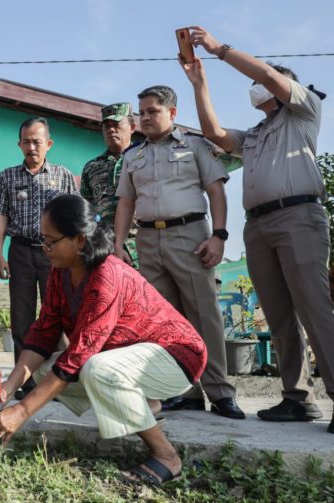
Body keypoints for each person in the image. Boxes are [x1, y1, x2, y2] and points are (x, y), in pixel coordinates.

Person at [0, 194, 207, 486]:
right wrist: (9, 388)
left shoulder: (106, 275)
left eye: (51, 241)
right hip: (133, 356)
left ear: (79, 240)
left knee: (95, 369)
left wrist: (22, 412)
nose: (45, 249)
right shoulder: (60, 271)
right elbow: (45, 330)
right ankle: (145, 405)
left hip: (177, 356)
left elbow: (79, 355)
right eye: (42, 240)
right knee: (40, 370)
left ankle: (166, 457)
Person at [180, 26, 334, 431]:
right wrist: (199, 83)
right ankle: (297, 398)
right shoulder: (256, 134)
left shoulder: (303, 110)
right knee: (280, 315)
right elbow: (215, 134)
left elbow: (267, 77)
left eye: (259, 82)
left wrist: (217, 49)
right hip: (259, 226)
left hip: (298, 217)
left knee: (315, 310)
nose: (255, 88)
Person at [113, 85, 244, 420]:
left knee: (204, 314)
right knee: (163, 321)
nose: (145, 118)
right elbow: (126, 202)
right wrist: (118, 244)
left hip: (190, 236)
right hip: (147, 239)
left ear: (172, 113)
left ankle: (219, 392)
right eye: (141, 113)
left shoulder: (195, 146)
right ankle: (183, 392)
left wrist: (219, 235)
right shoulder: (133, 156)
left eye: (152, 111)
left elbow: (216, 191)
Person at [0, 117, 79, 399]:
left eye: (37, 141)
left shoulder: (63, 176)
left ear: (48, 144)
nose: (31, 147)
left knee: (61, 315)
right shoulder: (7, 176)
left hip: (56, 255)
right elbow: (2, 215)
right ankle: (24, 381)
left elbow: (74, 217)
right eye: (26, 141)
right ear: (19, 144)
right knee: (22, 317)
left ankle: (61, 380)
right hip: (21, 251)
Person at [80, 102, 137, 265]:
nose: (111, 129)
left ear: (132, 127)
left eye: (117, 124)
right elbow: (88, 210)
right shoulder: (92, 167)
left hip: (141, 248)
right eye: (106, 126)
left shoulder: (144, 159)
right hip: (104, 248)